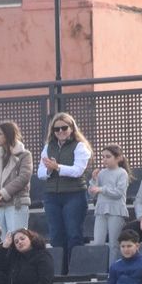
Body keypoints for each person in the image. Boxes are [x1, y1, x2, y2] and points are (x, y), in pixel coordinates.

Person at [35, 112, 93, 271]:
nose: (60, 131)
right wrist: (49, 170)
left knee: (73, 233)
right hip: (52, 196)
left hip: (74, 194)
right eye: (56, 129)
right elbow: (40, 173)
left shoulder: (80, 146)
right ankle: (59, 271)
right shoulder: (48, 147)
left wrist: (57, 167)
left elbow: (78, 170)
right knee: (55, 234)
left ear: (72, 128)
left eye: (64, 128)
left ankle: (75, 269)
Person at [0, 121, 34, 236]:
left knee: (16, 238)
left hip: (16, 204)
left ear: (8, 135)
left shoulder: (25, 155)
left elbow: (24, 177)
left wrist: (3, 193)